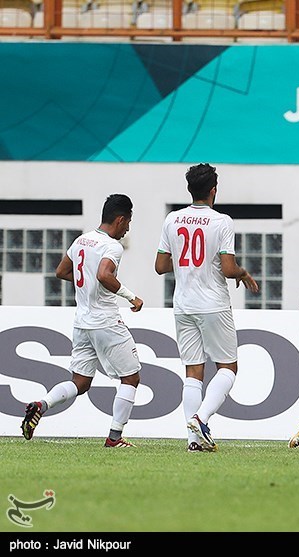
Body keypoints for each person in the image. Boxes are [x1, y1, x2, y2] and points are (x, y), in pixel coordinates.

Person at [21, 194, 144, 448]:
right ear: (120, 219)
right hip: (106, 321)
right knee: (131, 378)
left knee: (81, 382)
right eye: (128, 222)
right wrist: (131, 297)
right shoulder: (112, 246)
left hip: (82, 322)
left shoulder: (81, 241)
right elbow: (103, 275)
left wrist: (84, 281)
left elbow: (61, 271)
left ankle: (42, 404)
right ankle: (115, 438)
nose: (128, 228)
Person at [154, 163, 259, 453]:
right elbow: (227, 268)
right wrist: (242, 273)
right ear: (214, 190)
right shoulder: (222, 221)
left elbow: (160, 266)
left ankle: (193, 441)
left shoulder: (172, 219)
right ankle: (201, 419)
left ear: (190, 189)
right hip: (212, 303)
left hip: (183, 304)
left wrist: (185, 261)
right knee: (228, 367)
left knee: (193, 373)